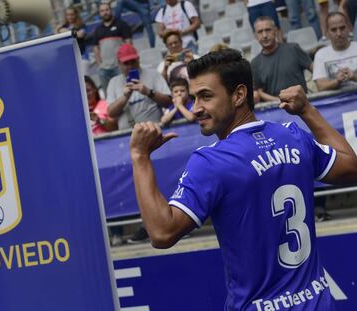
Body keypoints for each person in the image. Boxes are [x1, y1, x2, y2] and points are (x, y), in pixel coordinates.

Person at [129, 49, 357, 309]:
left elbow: (161, 233)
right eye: (194, 98)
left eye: (205, 96)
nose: (196, 108)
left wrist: (140, 157)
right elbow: (352, 166)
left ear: (238, 95)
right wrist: (306, 109)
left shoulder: (211, 162)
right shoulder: (292, 136)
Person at [107, 43, 171, 130]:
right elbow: (111, 113)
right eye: (126, 63)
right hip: (128, 135)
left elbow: (169, 102)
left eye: (133, 61)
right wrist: (125, 97)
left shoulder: (153, 75)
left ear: (138, 59)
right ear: (119, 63)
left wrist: (149, 92)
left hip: (154, 130)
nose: (130, 66)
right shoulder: (114, 82)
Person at [251, 16, 312, 102]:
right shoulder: (255, 63)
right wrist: (280, 102)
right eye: (260, 32)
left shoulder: (293, 49)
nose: (264, 35)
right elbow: (258, 92)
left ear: (275, 30)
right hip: (275, 110)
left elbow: (315, 70)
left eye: (268, 30)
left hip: (302, 104)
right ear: (255, 35)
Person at [93, 2, 132, 95]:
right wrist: (100, 65)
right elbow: (95, 48)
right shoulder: (97, 30)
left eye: (107, 10)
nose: (105, 12)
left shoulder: (122, 25)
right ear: (99, 13)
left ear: (111, 10)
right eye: (102, 11)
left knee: (124, 93)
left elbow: (129, 44)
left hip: (119, 67)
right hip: (104, 70)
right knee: (109, 96)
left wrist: (126, 63)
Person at [313, 12, 357, 91]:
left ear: (349, 28)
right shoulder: (320, 55)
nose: (339, 33)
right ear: (327, 33)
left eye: (342, 28)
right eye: (334, 30)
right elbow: (320, 86)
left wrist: (354, 76)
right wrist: (337, 81)